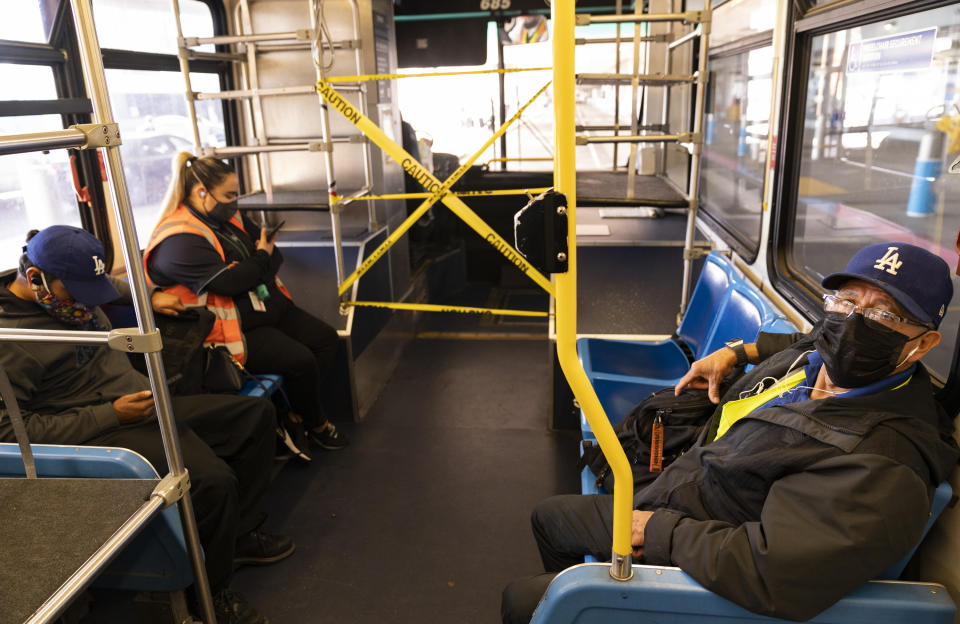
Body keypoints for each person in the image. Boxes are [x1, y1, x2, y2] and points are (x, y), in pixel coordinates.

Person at [502, 242, 959, 623]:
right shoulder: (823, 354)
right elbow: (804, 339)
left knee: (529, 585)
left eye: (882, 315)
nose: (852, 323)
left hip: (702, 537)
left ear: (923, 343)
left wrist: (660, 531)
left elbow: (773, 571)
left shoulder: (881, 461)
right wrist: (738, 353)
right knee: (558, 510)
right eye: (845, 302)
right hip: (698, 480)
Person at [0, 226, 293, 624]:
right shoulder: (9, 342)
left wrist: (151, 295)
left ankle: (237, 537)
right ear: (36, 279)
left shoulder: (64, 292)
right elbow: (10, 435)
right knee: (211, 481)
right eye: (81, 294)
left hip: (139, 404)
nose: (89, 306)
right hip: (99, 431)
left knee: (253, 416)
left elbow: (107, 285)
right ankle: (209, 592)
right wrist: (111, 415)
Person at [144, 152, 347, 455]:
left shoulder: (227, 217)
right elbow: (230, 282)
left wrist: (253, 265)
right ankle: (315, 424)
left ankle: (295, 414)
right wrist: (258, 259)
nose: (235, 201)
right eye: (229, 194)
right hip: (228, 329)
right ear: (202, 193)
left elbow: (273, 258)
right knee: (301, 360)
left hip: (263, 306)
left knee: (327, 340)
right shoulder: (180, 239)